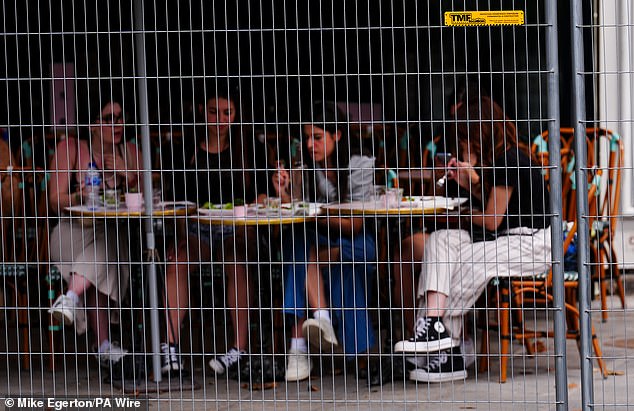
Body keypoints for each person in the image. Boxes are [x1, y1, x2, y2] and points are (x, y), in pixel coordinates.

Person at [393, 95, 552, 383]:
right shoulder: (501, 160)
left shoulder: (510, 159)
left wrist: (463, 213)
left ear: (481, 135)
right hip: (508, 239)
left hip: (532, 244)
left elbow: (492, 220)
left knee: (466, 260)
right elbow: (495, 208)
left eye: (466, 141)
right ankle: (429, 326)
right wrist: (472, 183)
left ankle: (448, 349)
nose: (463, 149)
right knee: (440, 240)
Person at [160, 82, 268, 376]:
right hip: (198, 229)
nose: (220, 120)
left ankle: (239, 349)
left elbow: (262, 194)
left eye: (226, 113)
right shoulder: (184, 149)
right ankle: (169, 348)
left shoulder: (249, 147)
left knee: (236, 258)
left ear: (236, 113)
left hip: (237, 228)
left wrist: (250, 210)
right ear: (201, 111)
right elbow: (175, 201)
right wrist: (183, 233)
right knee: (177, 259)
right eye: (212, 112)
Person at [271, 102, 377, 382]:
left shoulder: (359, 164)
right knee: (297, 240)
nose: (310, 144)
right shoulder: (305, 169)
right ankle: (323, 321)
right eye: (307, 137)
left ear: (337, 135)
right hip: (316, 240)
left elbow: (354, 224)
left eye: (317, 137)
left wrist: (315, 214)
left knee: (306, 253)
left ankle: (298, 347)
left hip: (352, 242)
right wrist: (284, 193)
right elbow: (295, 213)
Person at [48, 96, 142, 368]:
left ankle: (71, 298)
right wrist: (81, 194)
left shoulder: (131, 152)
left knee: (109, 242)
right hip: (72, 231)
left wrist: (130, 176)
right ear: (92, 124)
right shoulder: (73, 148)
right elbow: (54, 199)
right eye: (108, 118)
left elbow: (146, 198)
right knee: (106, 250)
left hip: (110, 231)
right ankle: (102, 345)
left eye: (120, 117)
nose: (117, 124)